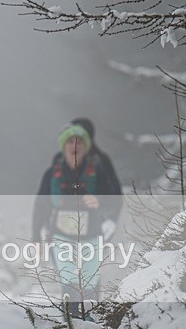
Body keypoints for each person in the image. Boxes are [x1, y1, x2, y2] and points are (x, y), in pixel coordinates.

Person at [31, 119, 122, 318]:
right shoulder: (52, 174)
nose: (75, 147)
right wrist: (36, 237)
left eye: (79, 143)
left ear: (86, 147)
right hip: (61, 236)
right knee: (69, 285)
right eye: (70, 143)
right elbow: (40, 206)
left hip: (91, 236)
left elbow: (114, 199)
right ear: (63, 146)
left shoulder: (97, 170)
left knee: (90, 287)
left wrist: (98, 202)